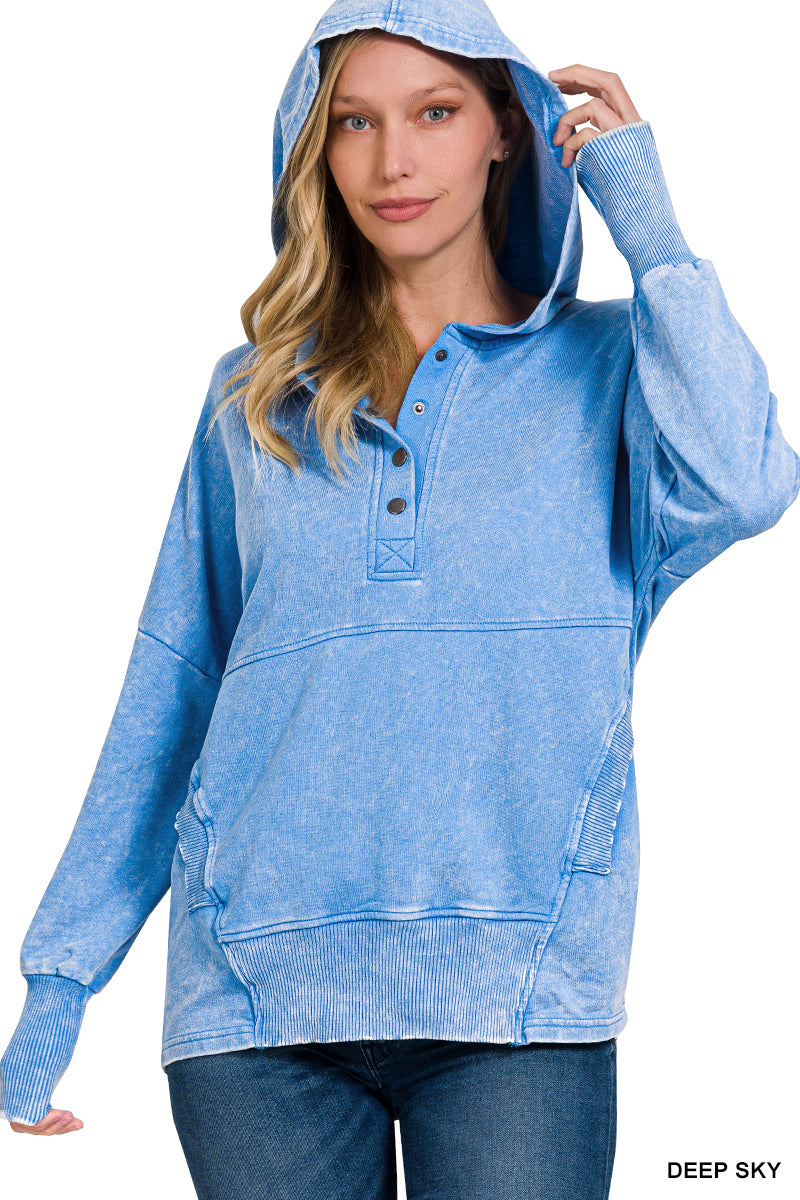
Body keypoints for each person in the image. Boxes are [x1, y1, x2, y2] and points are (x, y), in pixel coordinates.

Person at [1, 0, 798, 1196]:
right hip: (252, 1003)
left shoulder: (614, 371)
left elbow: (745, 483)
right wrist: (61, 978)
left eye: (434, 113)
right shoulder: (252, 399)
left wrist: (650, 230)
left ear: (505, 130)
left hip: (516, 997)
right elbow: (172, 690)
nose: (392, 161)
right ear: (313, 148)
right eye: (353, 122)